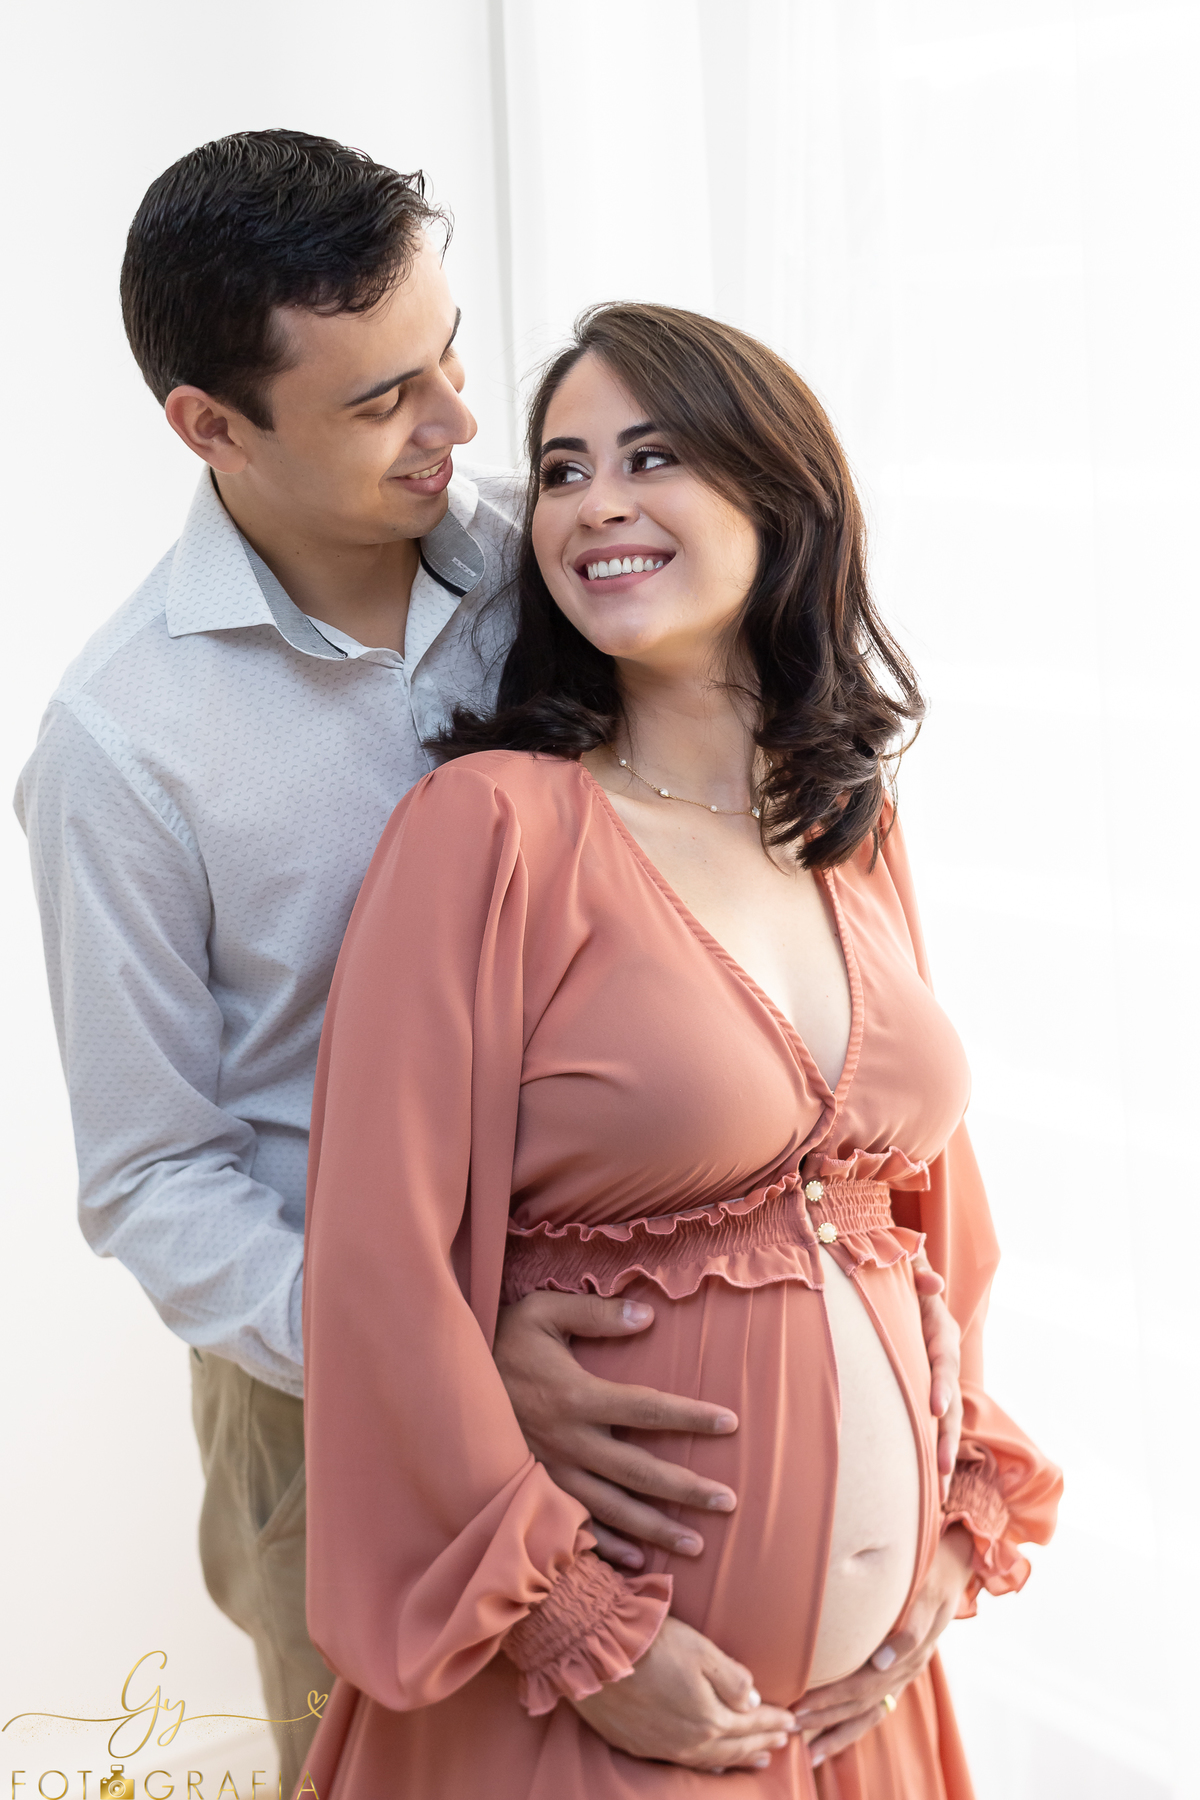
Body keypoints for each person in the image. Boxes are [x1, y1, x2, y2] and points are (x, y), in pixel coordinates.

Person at [15, 131, 965, 1795]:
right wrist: (441, 1345)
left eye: (450, 355)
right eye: (384, 400)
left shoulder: (560, 546)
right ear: (210, 427)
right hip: (320, 1387)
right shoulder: (127, 747)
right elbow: (156, 1174)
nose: (458, 425)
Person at [299, 302, 1063, 1798]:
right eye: (564, 470)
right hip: (593, 1698)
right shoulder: (492, 829)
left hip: (865, 1711)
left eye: (651, 456)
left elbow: (936, 1227)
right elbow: (377, 1270)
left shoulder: (850, 826)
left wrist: (946, 1528)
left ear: (779, 502)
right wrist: (579, 1626)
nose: (594, 506)